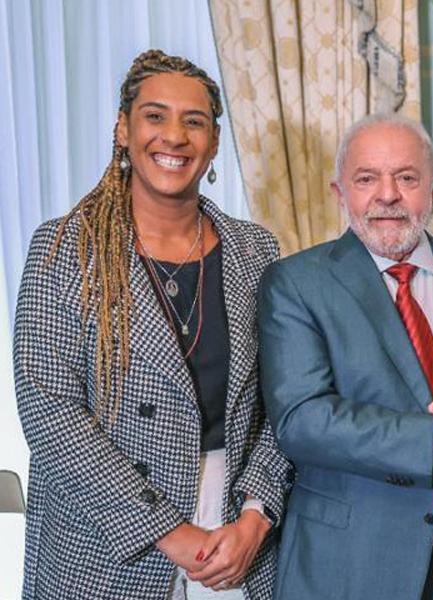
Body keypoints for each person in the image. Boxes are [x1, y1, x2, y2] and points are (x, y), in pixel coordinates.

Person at [14, 50, 291, 600]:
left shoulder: (256, 251)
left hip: (236, 544)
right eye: (155, 116)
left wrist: (256, 518)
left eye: (195, 122)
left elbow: (284, 402)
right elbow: (48, 410)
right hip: (104, 546)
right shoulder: (64, 249)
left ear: (213, 142)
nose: (175, 137)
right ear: (123, 129)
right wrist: (166, 530)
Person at [258, 112, 433, 600]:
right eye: (367, 179)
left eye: (407, 178)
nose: (387, 195)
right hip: (353, 562)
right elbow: (302, 418)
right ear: (340, 193)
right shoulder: (297, 283)